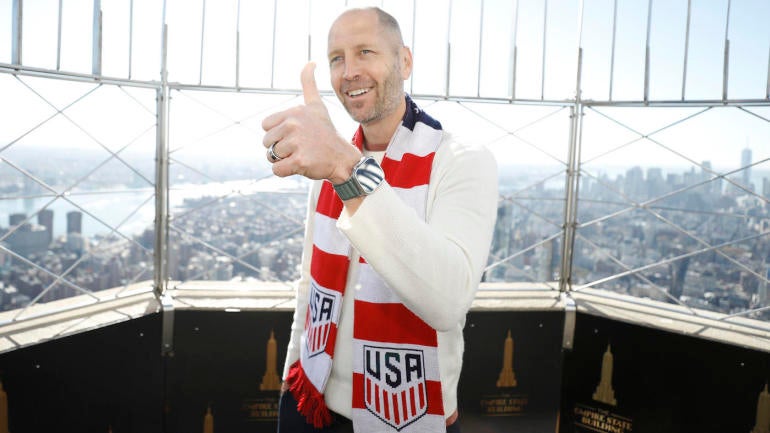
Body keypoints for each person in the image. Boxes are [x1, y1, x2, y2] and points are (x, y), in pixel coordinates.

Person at [261, 7, 498, 433]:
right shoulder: (329, 158)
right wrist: (290, 378)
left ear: (404, 62)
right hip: (311, 402)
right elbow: (310, 285)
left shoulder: (460, 160)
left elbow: (447, 300)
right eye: (336, 58)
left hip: (409, 417)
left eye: (365, 52)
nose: (349, 71)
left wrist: (345, 168)